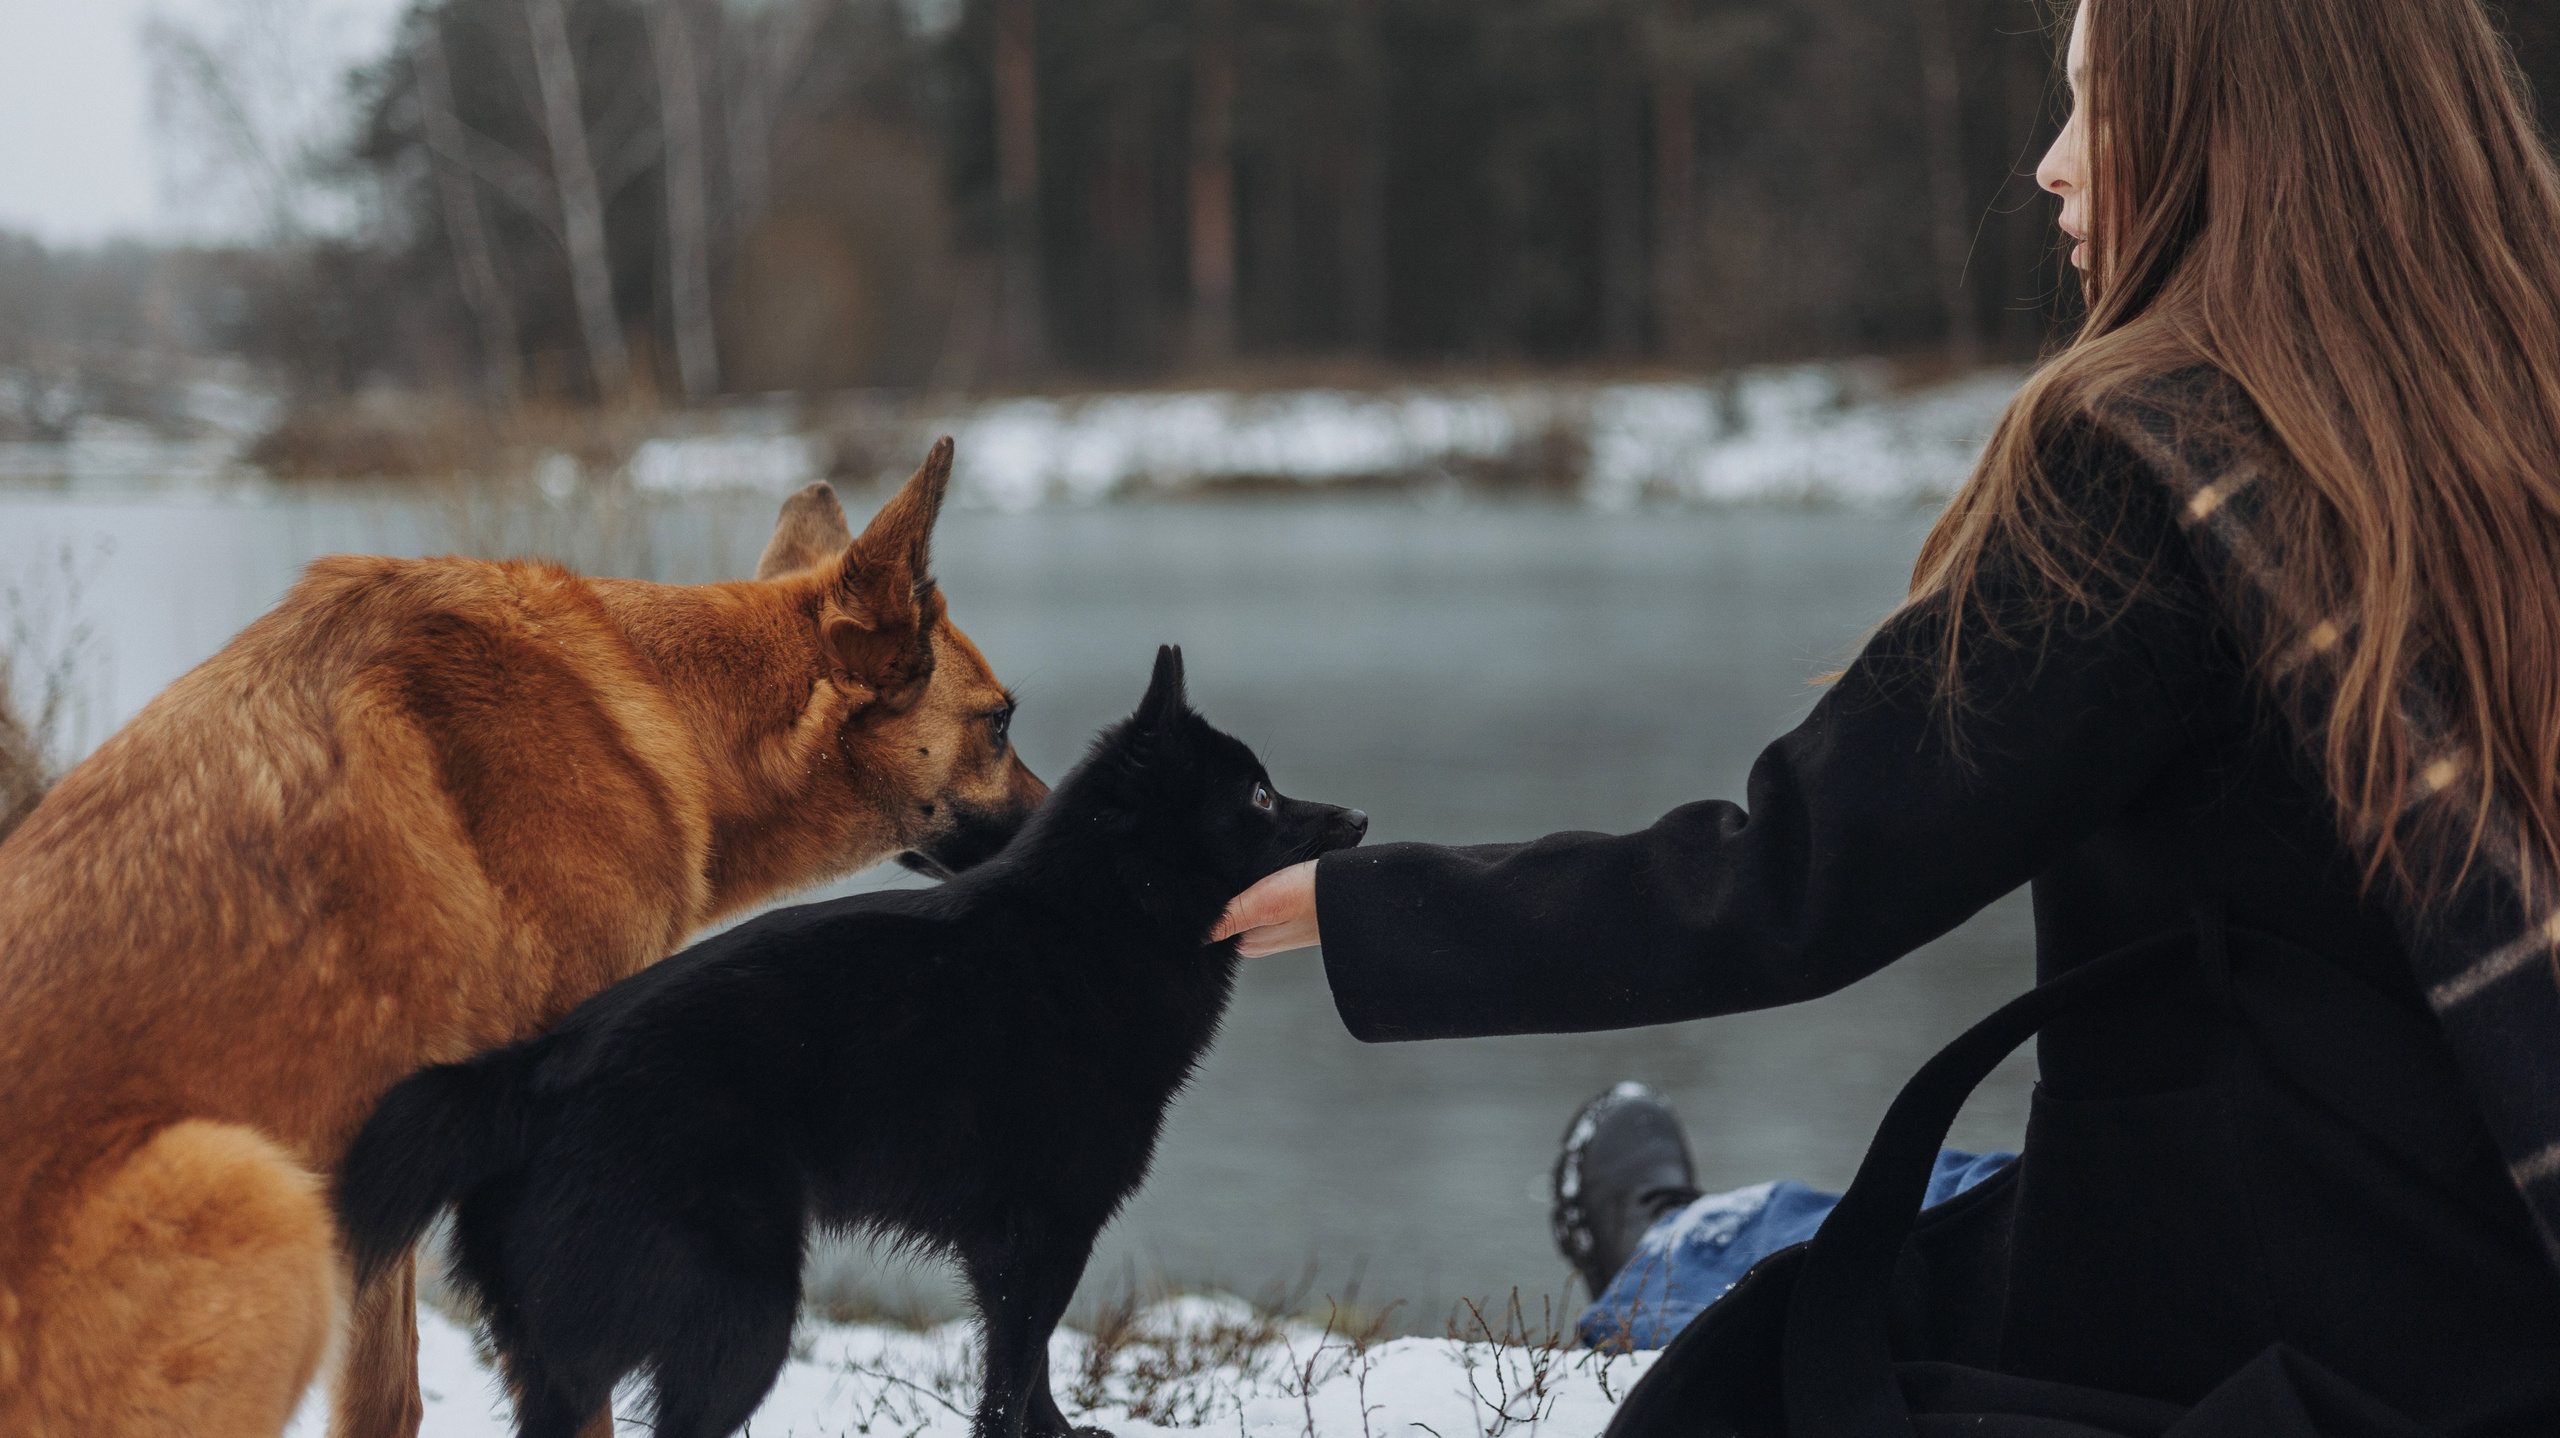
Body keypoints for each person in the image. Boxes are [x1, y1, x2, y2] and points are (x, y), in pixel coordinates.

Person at [1213, 0, 2560, 1429]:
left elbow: (1791, 878)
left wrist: (1366, 909)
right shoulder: (2510, 422)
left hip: (2271, 1327)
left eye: (2096, 100)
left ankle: (1669, 1235)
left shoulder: (2160, 471)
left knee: (1779, 1348)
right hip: (2495, 1282)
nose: (2051, 163)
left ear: (2239, 130)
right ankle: (1681, 1224)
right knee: (1960, 1206)